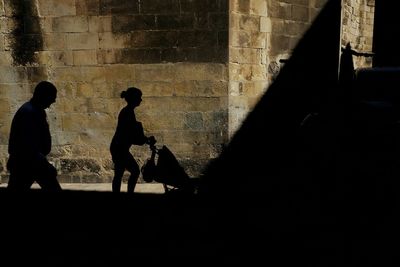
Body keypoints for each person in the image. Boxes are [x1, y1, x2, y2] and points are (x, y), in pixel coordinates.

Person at [7, 81, 62, 191]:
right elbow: (28, 147)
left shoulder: (36, 111)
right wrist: (46, 166)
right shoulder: (29, 113)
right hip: (26, 164)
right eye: (52, 97)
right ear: (44, 96)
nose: (54, 100)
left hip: (31, 163)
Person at [110, 87, 156, 193]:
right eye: (139, 97)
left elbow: (132, 135)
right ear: (134, 99)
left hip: (119, 147)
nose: (141, 100)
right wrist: (146, 140)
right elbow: (131, 135)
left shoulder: (128, 112)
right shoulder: (127, 113)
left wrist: (145, 139)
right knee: (133, 171)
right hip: (119, 148)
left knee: (120, 173)